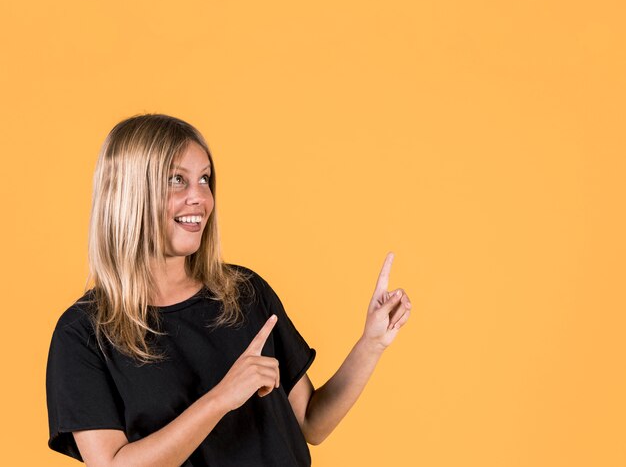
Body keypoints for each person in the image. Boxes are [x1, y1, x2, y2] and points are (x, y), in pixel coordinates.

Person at [46, 113, 412, 466]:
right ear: (128, 193)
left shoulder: (245, 293)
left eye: (204, 179)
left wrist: (371, 345)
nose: (200, 198)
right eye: (177, 179)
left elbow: (310, 424)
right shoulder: (83, 333)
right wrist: (221, 397)